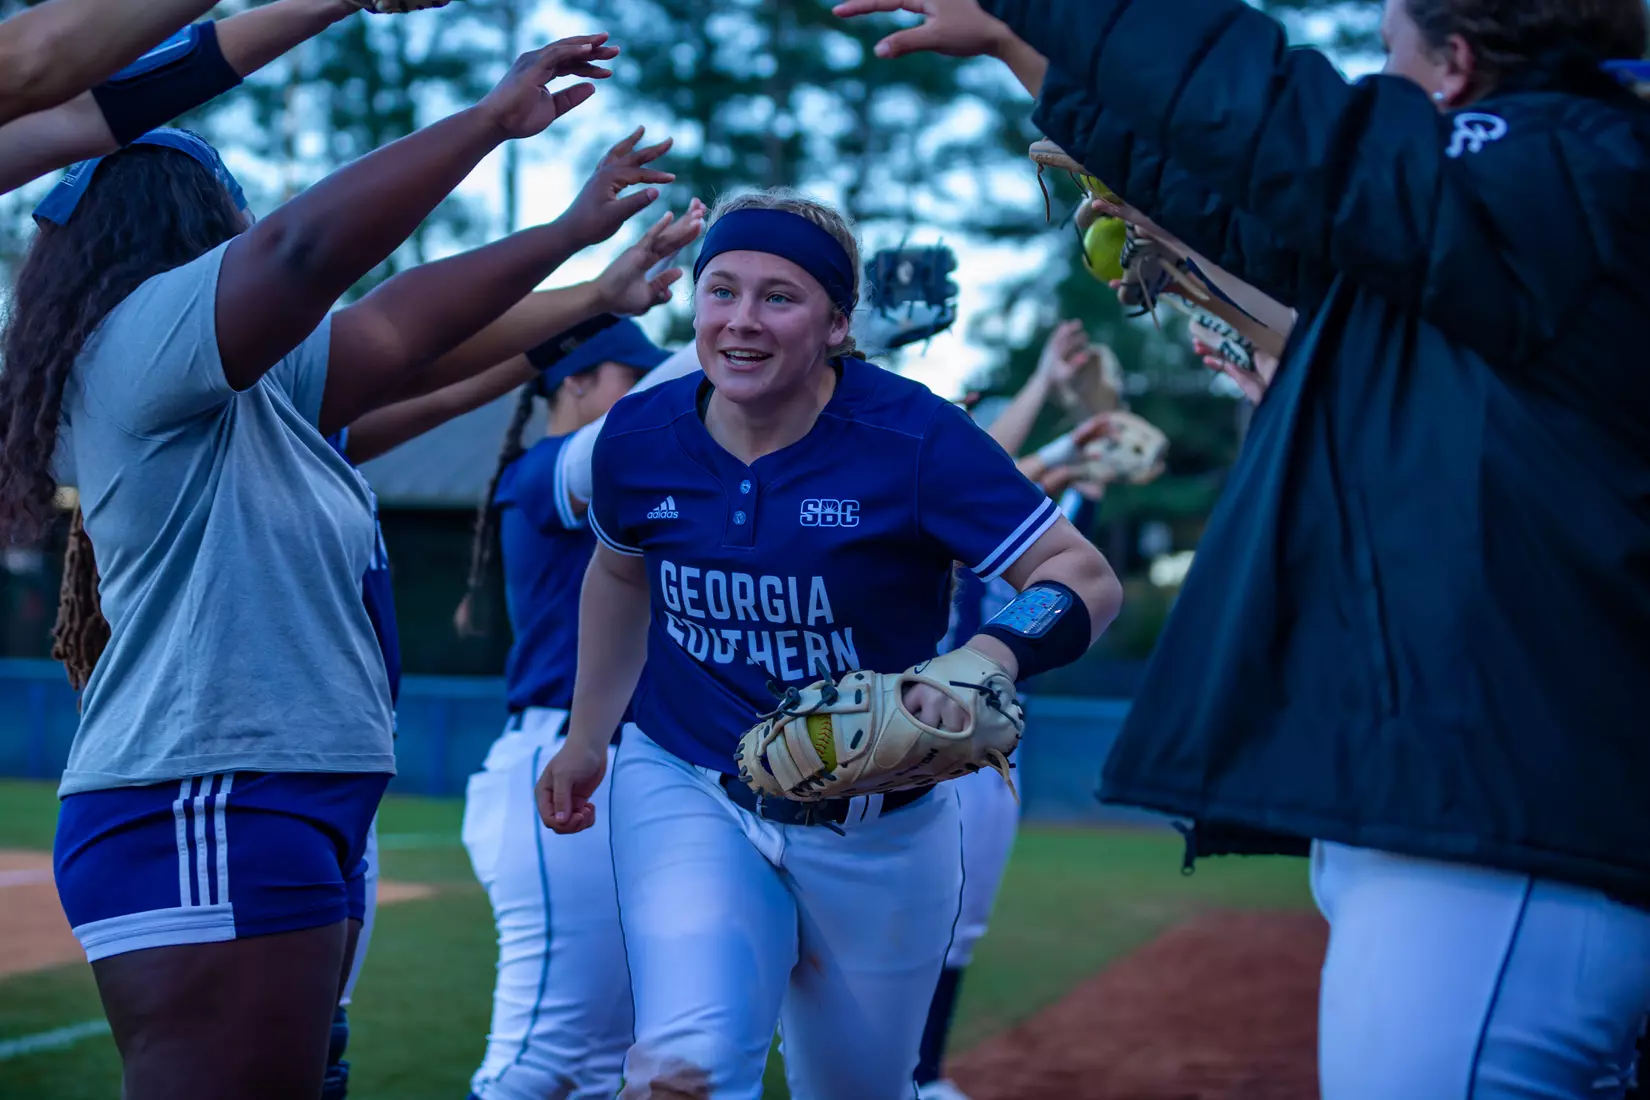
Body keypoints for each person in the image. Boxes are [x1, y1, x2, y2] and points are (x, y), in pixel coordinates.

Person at [840, 0, 1650, 1096]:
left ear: (1455, 71)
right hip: (1486, 808)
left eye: (1386, 65)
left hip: (1500, 834)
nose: (1368, 94)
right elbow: (1249, 202)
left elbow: (1276, 127)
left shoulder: (1558, 168)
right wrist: (1023, 51)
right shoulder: (1500, 219)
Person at [0, 31, 677, 1098]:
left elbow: (407, 339)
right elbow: (304, 257)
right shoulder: (140, 338)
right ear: (191, 231)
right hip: (209, 791)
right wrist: (490, 124)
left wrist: (580, 264)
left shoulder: (238, 389)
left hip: (272, 789)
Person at [536, 187, 1123, 1099]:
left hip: (880, 826)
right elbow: (618, 574)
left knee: (857, 1089)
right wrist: (586, 737)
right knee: (686, 1064)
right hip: (690, 780)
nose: (741, 321)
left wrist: (984, 659)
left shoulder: (915, 437)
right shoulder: (639, 436)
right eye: (721, 290)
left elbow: (1083, 576)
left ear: (839, 325)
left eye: (780, 297)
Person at [916, 321, 1116, 1100]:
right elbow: (984, 478)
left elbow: (1069, 511)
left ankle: (922, 1076)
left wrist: (1086, 420)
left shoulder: (1035, 532)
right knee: (890, 914)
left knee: (963, 925)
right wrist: (1051, 406)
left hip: (994, 739)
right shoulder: (938, 495)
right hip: (913, 726)